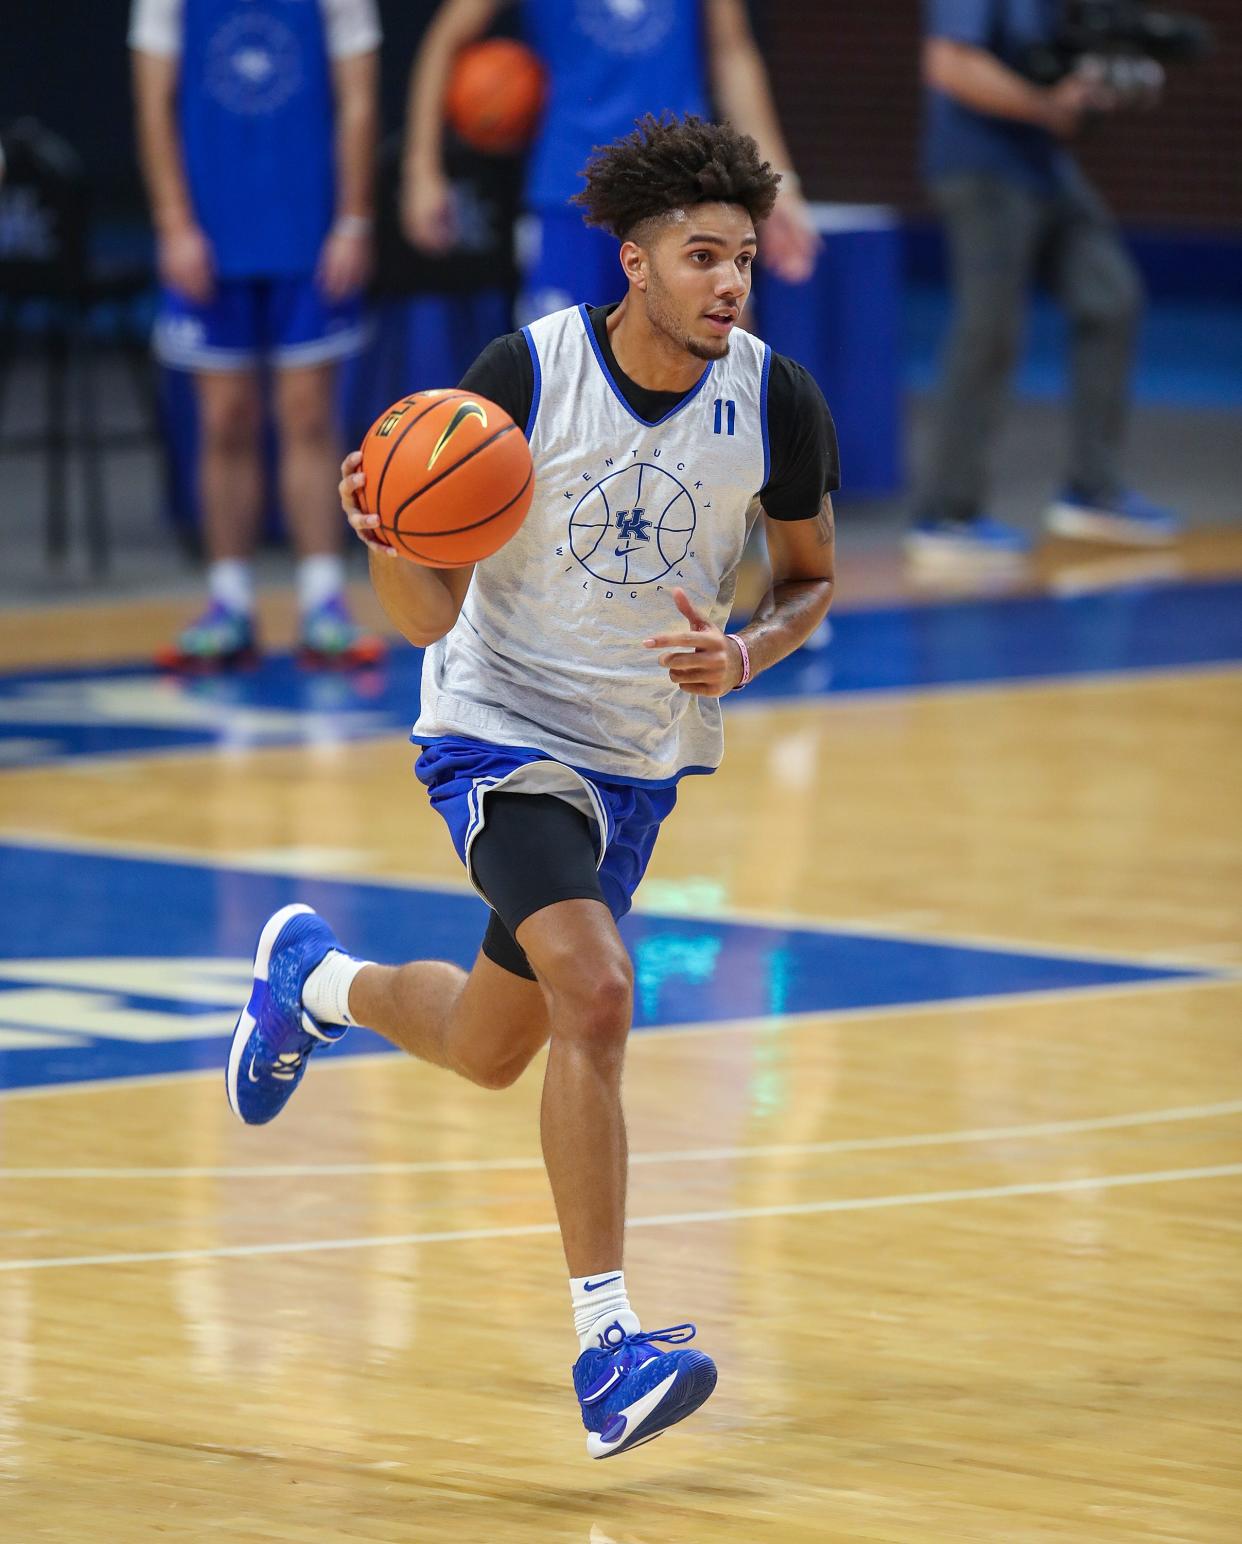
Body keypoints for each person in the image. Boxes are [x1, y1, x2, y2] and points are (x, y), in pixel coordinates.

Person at [226, 114, 839, 1458]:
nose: (728, 283)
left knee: (489, 1048)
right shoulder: (524, 374)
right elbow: (424, 618)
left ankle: (313, 987)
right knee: (600, 990)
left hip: (636, 762)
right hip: (498, 734)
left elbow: (809, 580)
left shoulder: (771, 399)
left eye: (741, 259)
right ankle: (606, 1347)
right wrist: (386, 529)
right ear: (632, 262)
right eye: (700, 257)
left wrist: (744, 650)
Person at [130, 0, 386, 667]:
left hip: (307, 230)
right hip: (211, 232)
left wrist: (352, 220)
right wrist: (172, 223)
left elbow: (357, 99)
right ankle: (229, 601)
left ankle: (323, 599)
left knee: (307, 415)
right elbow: (154, 104)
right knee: (225, 419)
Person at [907, 0, 1181, 569]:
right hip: (980, 168)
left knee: (1109, 295)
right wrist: (1046, 105)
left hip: (1042, 166)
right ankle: (946, 512)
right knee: (991, 330)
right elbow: (950, 66)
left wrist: (1093, 89)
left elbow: (1052, 67)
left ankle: (1093, 488)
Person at [402, 0, 819, 316]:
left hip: (686, 189)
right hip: (571, 194)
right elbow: (446, 38)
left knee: (719, 381)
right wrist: (421, 168)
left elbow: (733, 55)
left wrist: (778, 180)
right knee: (563, 391)